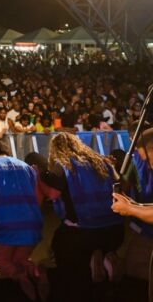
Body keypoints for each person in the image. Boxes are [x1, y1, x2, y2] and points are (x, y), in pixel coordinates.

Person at [41, 132, 123, 301]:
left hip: (82, 231)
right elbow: (121, 187)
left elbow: (53, 194)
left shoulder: (63, 165)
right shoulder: (102, 162)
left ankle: (90, 263)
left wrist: (39, 178)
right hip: (114, 229)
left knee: (61, 248)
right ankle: (106, 257)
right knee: (100, 245)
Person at [0, 139, 47, 300]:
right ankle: (36, 272)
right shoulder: (27, 168)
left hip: (3, 224)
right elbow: (38, 199)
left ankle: (19, 276)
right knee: (20, 259)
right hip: (31, 223)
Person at [113, 128, 153, 280]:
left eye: (148, 159)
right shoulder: (137, 159)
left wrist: (130, 208)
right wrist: (132, 204)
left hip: (146, 227)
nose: (147, 166)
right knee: (133, 265)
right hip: (145, 228)